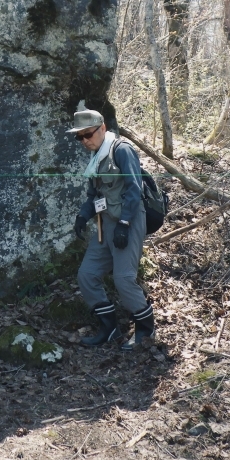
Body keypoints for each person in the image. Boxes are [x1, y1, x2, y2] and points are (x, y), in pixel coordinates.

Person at [68, 109, 154, 350]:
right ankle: (109, 329)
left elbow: (134, 189)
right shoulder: (96, 157)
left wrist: (124, 224)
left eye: (88, 134)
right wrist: (82, 216)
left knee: (124, 279)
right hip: (104, 225)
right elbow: (93, 195)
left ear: (103, 128)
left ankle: (145, 331)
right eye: (79, 137)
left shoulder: (122, 150)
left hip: (129, 222)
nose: (85, 140)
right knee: (87, 275)